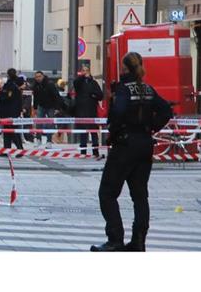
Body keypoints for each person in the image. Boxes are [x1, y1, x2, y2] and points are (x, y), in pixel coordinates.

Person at [91, 52, 172, 252]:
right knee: (140, 196)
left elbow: (118, 113)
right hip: (145, 145)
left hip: (125, 145)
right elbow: (166, 111)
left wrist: (114, 130)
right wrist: (152, 127)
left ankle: (115, 238)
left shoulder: (123, 89)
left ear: (125, 69)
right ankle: (139, 240)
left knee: (107, 193)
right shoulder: (148, 89)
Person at [73, 65, 104, 158]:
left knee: (94, 132)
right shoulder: (79, 82)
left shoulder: (94, 83)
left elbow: (100, 95)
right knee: (83, 132)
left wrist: (93, 95)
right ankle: (83, 151)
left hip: (92, 110)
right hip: (81, 110)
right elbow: (75, 83)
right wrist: (82, 76)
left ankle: (95, 151)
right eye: (83, 70)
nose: (85, 72)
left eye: (87, 70)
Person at [32, 71, 61, 147]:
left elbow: (56, 96)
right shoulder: (35, 86)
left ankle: (49, 141)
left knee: (50, 124)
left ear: (43, 76)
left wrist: (57, 108)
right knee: (38, 123)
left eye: (39, 76)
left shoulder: (50, 84)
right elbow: (35, 98)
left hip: (51, 106)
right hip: (41, 106)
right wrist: (35, 108)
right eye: (36, 77)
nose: (38, 78)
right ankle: (38, 139)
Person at [0, 69, 24, 153]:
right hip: (14, 110)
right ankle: (7, 149)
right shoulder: (17, 84)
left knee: (11, 131)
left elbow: (5, 97)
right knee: (10, 131)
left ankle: (19, 149)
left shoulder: (10, 85)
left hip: (8, 110)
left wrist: (1, 94)